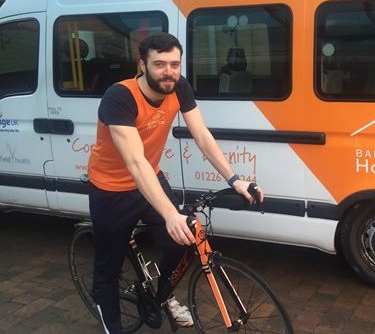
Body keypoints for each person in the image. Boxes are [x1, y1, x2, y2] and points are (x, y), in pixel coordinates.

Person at [86, 32, 262, 334]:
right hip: (111, 190)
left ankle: (162, 294)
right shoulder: (120, 96)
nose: (169, 72)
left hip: (151, 178)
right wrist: (169, 214)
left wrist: (234, 180)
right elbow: (135, 163)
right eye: (159, 64)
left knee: (184, 240)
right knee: (107, 272)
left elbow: (202, 136)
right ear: (142, 64)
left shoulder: (178, 87)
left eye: (174, 64)